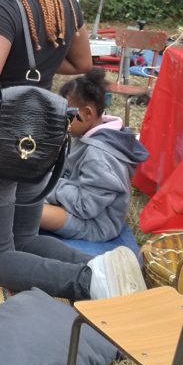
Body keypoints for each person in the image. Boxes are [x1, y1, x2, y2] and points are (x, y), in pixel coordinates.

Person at [0, 0, 145, 300]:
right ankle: (106, 268)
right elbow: (82, 62)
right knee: (25, 237)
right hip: (41, 132)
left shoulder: (5, 9)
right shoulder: (63, 1)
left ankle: (89, 283)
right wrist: (35, 68)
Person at [41, 69, 150, 242]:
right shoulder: (88, 131)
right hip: (76, 205)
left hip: (97, 224)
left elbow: (86, 206)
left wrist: (48, 184)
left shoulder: (99, 156)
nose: (60, 121)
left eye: (65, 115)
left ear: (87, 113)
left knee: (26, 210)